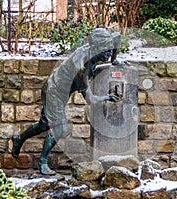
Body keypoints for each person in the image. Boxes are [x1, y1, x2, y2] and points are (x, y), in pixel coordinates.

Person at [11, 28, 121, 175]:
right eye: (105, 49)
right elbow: (90, 99)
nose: (108, 51)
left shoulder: (97, 48)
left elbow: (117, 38)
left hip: (61, 90)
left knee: (44, 125)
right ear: (95, 48)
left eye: (109, 48)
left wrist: (113, 60)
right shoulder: (81, 68)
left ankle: (18, 139)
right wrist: (107, 97)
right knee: (60, 128)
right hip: (54, 91)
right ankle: (42, 162)